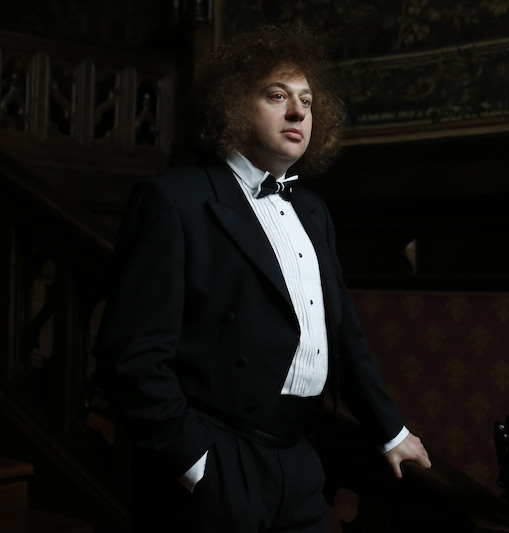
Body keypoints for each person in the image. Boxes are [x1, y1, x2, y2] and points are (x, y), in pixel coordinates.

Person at [94, 21, 431, 533]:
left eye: (307, 100)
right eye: (277, 95)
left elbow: (343, 334)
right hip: (218, 456)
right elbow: (132, 355)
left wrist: (391, 430)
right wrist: (195, 464)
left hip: (299, 457)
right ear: (233, 105)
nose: (298, 112)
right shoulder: (174, 200)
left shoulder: (313, 211)